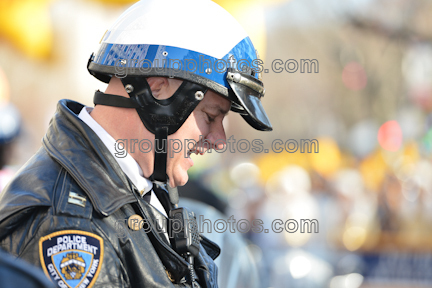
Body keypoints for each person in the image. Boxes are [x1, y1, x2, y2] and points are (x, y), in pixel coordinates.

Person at [0, 0, 272, 287]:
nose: (219, 140)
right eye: (210, 116)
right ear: (157, 90)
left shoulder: (138, 193)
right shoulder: (71, 228)